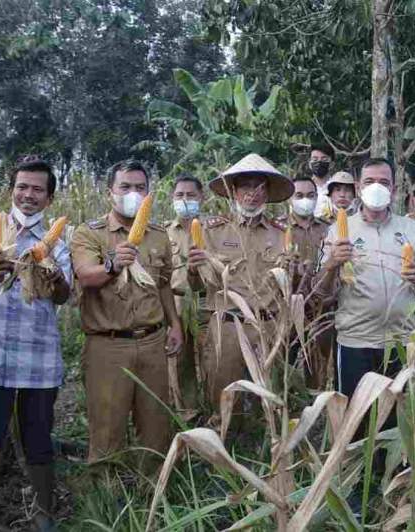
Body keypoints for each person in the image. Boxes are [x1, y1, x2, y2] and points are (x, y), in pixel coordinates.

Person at [0, 157, 71, 531]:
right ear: (12, 190)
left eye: (38, 189)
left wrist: (52, 274)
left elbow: (62, 296)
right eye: (22, 186)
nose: (28, 195)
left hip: (38, 362)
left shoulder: (58, 242)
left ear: (49, 198)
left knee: (39, 442)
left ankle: (43, 516)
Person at [70, 159, 183, 466]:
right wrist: (112, 264)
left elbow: (163, 286)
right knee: (107, 426)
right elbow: (85, 276)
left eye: (140, 188)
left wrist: (174, 324)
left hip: (151, 342)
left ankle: (154, 493)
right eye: (125, 187)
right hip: (108, 344)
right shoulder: (89, 233)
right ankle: (107, 496)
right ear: (111, 192)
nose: (133, 193)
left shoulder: (159, 236)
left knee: (156, 424)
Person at [186, 154, 293, 418]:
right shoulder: (212, 231)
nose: (253, 193)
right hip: (228, 326)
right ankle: (220, 448)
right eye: (246, 186)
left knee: (268, 401)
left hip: (268, 326)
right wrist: (192, 268)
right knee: (222, 398)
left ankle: (264, 451)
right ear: (233, 190)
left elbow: (291, 285)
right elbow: (198, 285)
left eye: (260, 186)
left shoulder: (281, 234)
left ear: (267, 193)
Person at [317, 158, 415, 399]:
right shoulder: (337, 230)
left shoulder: (411, 229)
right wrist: (332, 264)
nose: (376, 187)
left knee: (396, 422)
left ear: (394, 189)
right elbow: (321, 294)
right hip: (355, 342)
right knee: (355, 419)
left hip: (401, 342)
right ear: (358, 187)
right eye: (369, 181)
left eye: (383, 182)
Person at [279, 176, 333, 387]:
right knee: (284, 362)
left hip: (321, 307)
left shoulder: (328, 229)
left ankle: (314, 404)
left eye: (310, 195)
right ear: (290, 199)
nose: (305, 200)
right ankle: (286, 402)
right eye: (299, 195)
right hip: (288, 307)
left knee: (318, 362)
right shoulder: (280, 228)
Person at [167, 173, 205, 413]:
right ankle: (187, 413)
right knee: (180, 364)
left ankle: (214, 411)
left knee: (209, 361)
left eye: (191, 195)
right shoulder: (163, 233)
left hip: (205, 305)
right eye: (180, 195)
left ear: (202, 197)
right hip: (176, 306)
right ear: (172, 198)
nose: (185, 200)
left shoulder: (212, 231)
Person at [308, 144, 336, 218]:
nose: (319, 162)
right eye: (315, 159)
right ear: (309, 164)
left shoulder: (338, 187)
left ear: (332, 164)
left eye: (324, 159)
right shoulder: (304, 188)